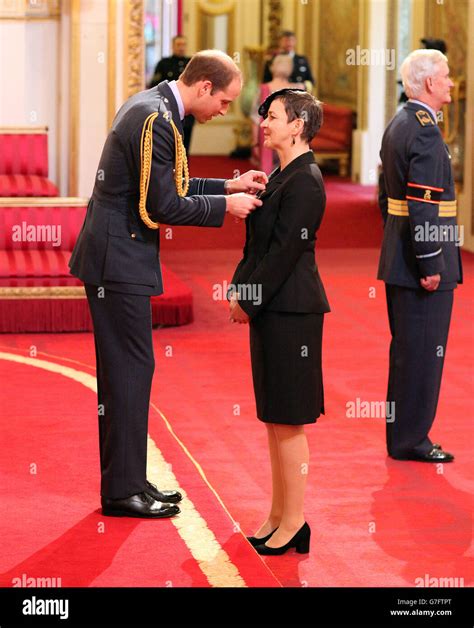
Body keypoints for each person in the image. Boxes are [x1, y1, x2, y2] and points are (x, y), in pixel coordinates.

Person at [69, 50, 267, 518]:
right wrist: (227, 211)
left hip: (118, 257)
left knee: (131, 371)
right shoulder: (155, 119)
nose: (224, 111)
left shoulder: (154, 106)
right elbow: (163, 205)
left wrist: (228, 186)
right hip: (117, 262)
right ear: (203, 87)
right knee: (128, 373)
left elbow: (171, 183)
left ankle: (130, 481)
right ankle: (121, 492)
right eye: (223, 101)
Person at [229, 89, 330, 555]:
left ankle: (295, 522)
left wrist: (247, 299)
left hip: (292, 312)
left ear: (298, 125)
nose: (263, 122)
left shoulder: (306, 179)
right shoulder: (279, 174)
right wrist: (239, 287)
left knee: (289, 419)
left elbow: (286, 252)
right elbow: (258, 246)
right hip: (272, 307)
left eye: (271, 116)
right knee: (273, 416)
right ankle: (277, 515)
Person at [378, 49, 462, 462]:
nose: (450, 83)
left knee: (409, 350)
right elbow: (424, 204)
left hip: (401, 253)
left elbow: (385, 196)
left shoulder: (401, 122)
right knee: (423, 354)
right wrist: (431, 263)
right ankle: (412, 440)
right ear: (429, 83)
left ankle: (404, 436)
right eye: (446, 76)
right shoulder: (425, 130)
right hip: (422, 261)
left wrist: (396, 240)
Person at [251, 54, 304, 174]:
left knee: (268, 176)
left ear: (272, 68)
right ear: (290, 69)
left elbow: (255, 118)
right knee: (292, 173)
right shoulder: (299, 89)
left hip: (268, 134)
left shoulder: (263, 89)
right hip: (292, 136)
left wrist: (255, 143)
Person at [149, 35, 195, 152]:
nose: (181, 48)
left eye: (183, 45)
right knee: (168, 147)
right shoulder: (164, 64)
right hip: (167, 111)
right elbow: (155, 87)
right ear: (173, 46)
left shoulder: (191, 64)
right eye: (178, 45)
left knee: (185, 147)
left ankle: (183, 170)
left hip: (187, 112)